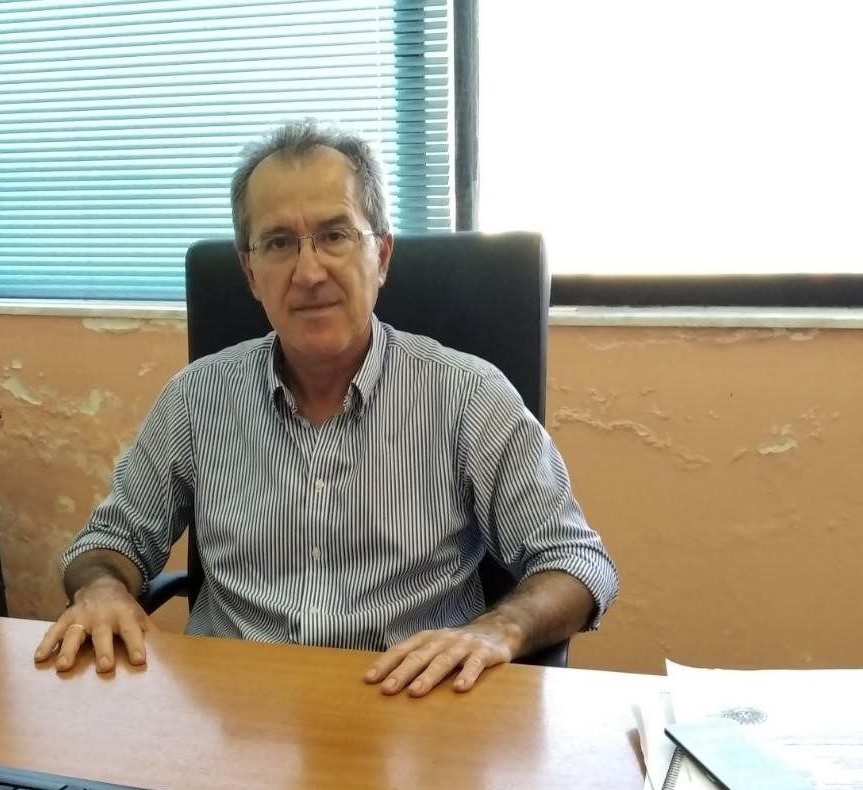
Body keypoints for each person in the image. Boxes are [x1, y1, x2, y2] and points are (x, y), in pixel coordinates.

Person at [34, 120, 619, 697]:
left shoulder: (469, 396)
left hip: (407, 708)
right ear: (250, 272)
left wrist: (500, 629)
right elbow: (108, 542)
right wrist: (101, 588)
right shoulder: (196, 399)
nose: (309, 273)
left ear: (381, 255)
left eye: (335, 235)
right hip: (233, 712)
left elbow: (575, 561)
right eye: (278, 243)